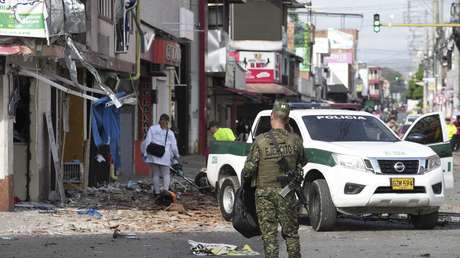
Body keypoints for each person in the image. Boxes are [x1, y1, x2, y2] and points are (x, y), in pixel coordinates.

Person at [241, 100, 307, 258]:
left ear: (272, 116)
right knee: (291, 234)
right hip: (287, 193)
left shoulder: (260, 140)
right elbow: (303, 161)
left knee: (269, 236)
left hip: (264, 194)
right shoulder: (295, 140)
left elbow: (248, 170)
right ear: (287, 119)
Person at [142, 114, 180, 196]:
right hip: (164, 156)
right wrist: (177, 156)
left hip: (153, 154)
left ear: (159, 120)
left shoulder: (152, 129)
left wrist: (145, 154)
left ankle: (157, 192)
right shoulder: (170, 133)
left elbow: (147, 142)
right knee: (166, 174)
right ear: (167, 122)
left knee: (155, 174)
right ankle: (165, 192)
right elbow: (174, 147)